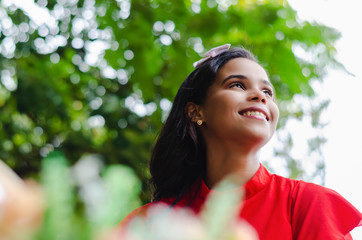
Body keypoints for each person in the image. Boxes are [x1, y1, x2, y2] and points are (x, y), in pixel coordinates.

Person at [120, 44, 362, 239]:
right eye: (237, 84)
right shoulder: (147, 224)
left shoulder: (306, 204)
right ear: (196, 112)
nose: (260, 96)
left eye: (268, 92)